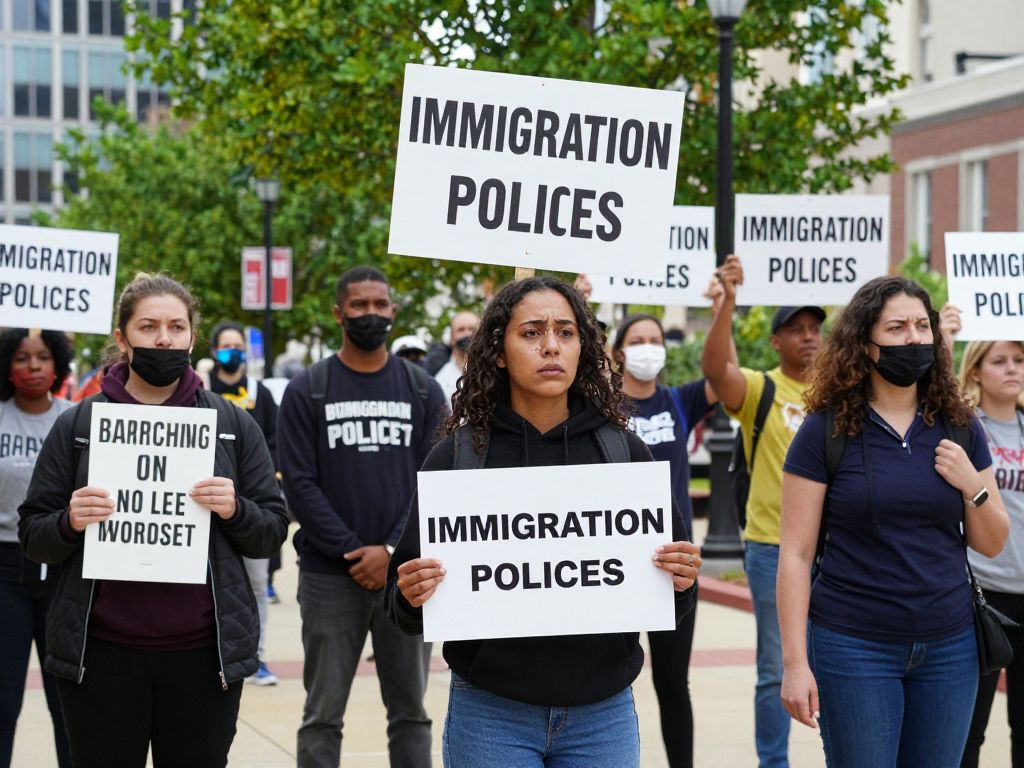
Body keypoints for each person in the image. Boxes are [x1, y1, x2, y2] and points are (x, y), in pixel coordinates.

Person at [385, 275, 701, 768]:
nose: (551, 345)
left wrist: (680, 579)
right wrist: (412, 592)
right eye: (532, 332)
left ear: (583, 348)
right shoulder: (460, 457)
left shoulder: (623, 453)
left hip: (603, 716)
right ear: (498, 351)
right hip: (491, 714)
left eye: (566, 332)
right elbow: (404, 607)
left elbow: (670, 598)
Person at [18, 273, 289, 768]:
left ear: (191, 336)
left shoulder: (231, 425)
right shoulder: (79, 425)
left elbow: (272, 531)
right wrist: (69, 522)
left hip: (203, 659)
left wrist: (236, 508)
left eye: (176, 327)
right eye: (148, 327)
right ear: (122, 338)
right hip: (99, 656)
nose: (164, 338)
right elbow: (34, 536)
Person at [777, 275, 1009, 767]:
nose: (914, 339)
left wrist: (973, 484)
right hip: (853, 646)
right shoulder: (825, 430)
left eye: (922, 326)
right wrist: (795, 665)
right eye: (898, 327)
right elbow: (795, 555)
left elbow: (991, 542)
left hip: (950, 649)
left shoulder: (961, 427)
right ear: (866, 343)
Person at [278, 265, 447, 768]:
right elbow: (300, 485)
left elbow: (431, 479)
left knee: (411, 713)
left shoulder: (422, 392)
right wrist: (355, 550)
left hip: (407, 579)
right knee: (322, 714)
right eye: (359, 305)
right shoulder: (308, 389)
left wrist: (392, 551)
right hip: (330, 577)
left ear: (393, 312)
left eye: (379, 305)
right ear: (339, 314)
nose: (370, 314)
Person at [700, 254, 824, 768]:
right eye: (795, 329)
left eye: (815, 328)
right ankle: (773, 763)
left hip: (836, 550)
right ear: (776, 342)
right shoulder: (761, 388)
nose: (809, 336)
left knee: (844, 665)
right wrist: (726, 304)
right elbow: (715, 370)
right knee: (778, 667)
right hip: (773, 550)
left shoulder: (841, 395)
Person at [609, 280, 732, 768]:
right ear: (617, 353)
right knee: (610, 680)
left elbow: (722, 373)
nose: (647, 350)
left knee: (672, 683)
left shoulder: (678, 401)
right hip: (614, 562)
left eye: (654, 341)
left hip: (673, 565)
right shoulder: (603, 408)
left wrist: (723, 310)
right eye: (636, 342)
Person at [0, 328, 74, 768]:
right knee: (3, 700)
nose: (32, 367)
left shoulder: (76, 418)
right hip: (4, 567)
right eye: (22, 358)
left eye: (43, 357)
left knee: (66, 702)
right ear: (7, 365)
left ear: (58, 364)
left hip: (61, 567)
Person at [957, 337, 1024, 768]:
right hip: (982, 597)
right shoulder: (966, 429)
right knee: (968, 730)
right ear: (976, 370)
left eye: (1018, 359)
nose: (1012, 368)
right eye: (999, 361)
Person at [208, 320, 281, 685]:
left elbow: (274, 440)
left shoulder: (258, 391)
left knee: (255, 586)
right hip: (203, 506)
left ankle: (257, 657)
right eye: (226, 345)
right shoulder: (200, 389)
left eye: (238, 345)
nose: (233, 351)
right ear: (213, 350)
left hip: (248, 508)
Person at [434, 311, 481, 406]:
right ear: (451, 338)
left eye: (472, 329)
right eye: (460, 330)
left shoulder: (495, 371)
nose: (467, 334)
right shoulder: (440, 380)